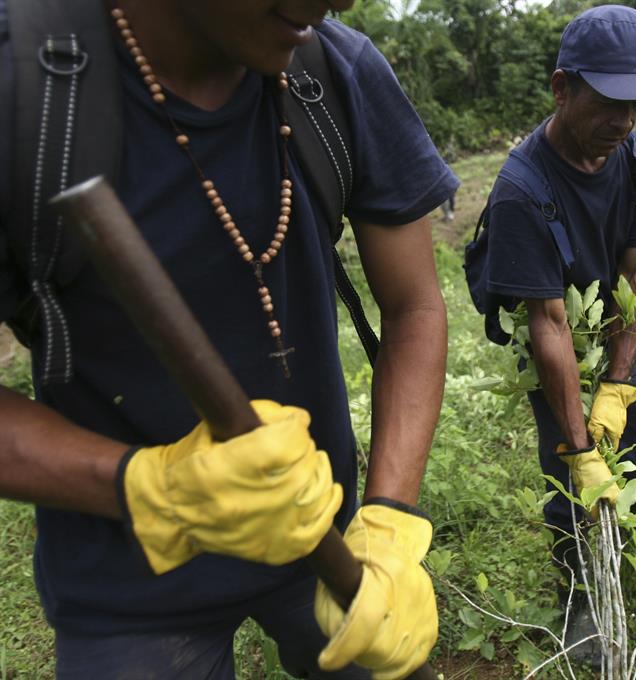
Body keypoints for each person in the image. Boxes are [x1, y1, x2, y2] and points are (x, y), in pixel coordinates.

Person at [0, 1, 457, 678]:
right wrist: (158, 490)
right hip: (127, 580)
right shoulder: (21, 83)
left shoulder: (333, 72)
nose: (342, 2)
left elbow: (415, 305)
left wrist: (388, 522)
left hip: (324, 536)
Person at [480, 4, 636, 667]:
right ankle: (579, 594)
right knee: (574, 485)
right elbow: (549, 323)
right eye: (611, 102)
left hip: (613, 331)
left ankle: (623, 557)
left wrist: (618, 386)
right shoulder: (521, 190)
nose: (624, 122)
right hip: (558, 339)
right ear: (563, 88)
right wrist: (576, 446)